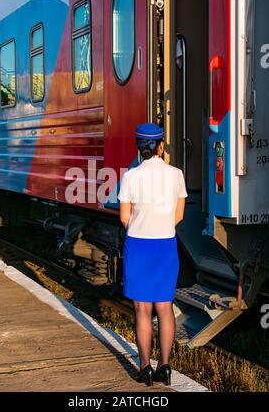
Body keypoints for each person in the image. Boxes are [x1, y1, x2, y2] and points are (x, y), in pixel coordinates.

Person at [118, 123, 188, 387]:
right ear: (161, 146)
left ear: (139, 148)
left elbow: (125, 217)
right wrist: (160, 226)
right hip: (165, 245)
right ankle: (165, 366)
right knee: (165, 307)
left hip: (138, 245)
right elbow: (178, 216)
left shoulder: (130, 177)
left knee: (142, 309)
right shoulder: (176, 174)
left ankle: (145, 367)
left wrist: (141, 226)